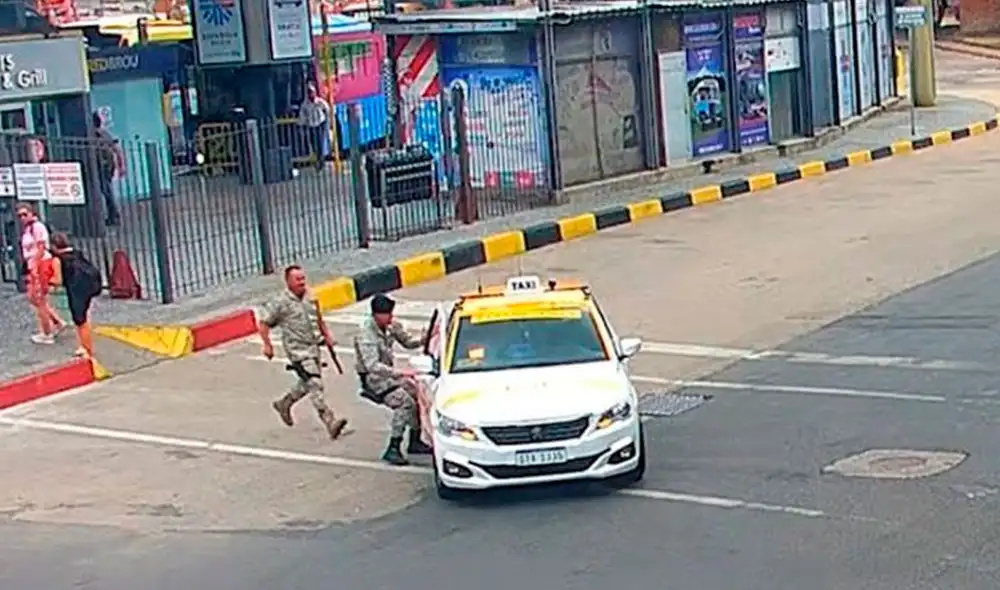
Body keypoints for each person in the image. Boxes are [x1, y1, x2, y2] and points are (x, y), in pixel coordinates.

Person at [259, 265, 348, 440]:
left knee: (307, 383)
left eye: (303, 278)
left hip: (314, 347)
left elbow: (318, 318)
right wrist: (267, 345)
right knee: (315, 384)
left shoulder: (311, 297)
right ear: (288, 281)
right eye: (297, 279)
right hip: (297, 351)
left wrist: (327, 336)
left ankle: (284, 403)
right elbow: (264, 323)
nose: (302, 282)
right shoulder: (280, 303)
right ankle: (330, 421)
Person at [354, 293, 431, 466]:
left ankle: (416, 440)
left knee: (418, 392)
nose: (391, 317)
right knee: (405, 403)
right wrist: (399, 373)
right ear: (376, 314)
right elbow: (371, 365)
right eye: (387, 314)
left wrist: (424, 339)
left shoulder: (390, 326)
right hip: (375, 380)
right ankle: (393, 447)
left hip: (389, 377)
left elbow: (408, 342)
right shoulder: (366, 335)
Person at [17, 203, 66, 345]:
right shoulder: (28, 229)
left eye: (25, 214)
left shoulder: (37, 227)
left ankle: (47, 333)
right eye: (20, 215)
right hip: (34, 264)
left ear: (32, 213)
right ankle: (56, 321)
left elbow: (41, 247)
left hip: (40, 264)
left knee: (40, 300)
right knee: (33, 298)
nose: (22, 218)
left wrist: (34, 265)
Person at [49, 233, 102, 357]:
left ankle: (87, 350)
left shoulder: (58, 259)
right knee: (84, 318)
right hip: (88, 287)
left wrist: (47, 280)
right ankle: (82, 346)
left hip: (75, 290)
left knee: (80, 321)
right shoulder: (77, 254)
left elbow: (58, 280)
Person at [91, 112, 121, 226]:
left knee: (107, 191)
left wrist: (121, 165)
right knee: (107, 191)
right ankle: (113, 215)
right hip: (106, 166)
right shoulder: (105, 134)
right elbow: (116, 149)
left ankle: (114, 215)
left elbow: (116, 149)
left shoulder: (97, 135)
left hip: (103, 167)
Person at [296, 83, 331, 171]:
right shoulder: (305, 104)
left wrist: (327, 119)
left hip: (320, 124)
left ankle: (320, 162)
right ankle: (318, 160)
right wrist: (300, 124)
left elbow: (327, 108)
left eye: (312, 92)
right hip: (311, 126)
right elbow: (302, 116)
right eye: (309, 93)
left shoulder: (319, 101)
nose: (311, 94)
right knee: (313, 144)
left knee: (320, 144)